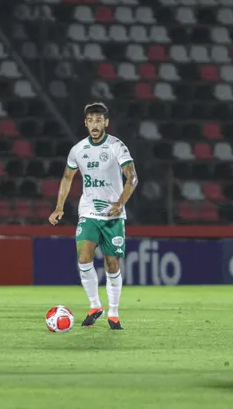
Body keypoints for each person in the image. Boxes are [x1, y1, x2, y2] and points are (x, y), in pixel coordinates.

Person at [48, 102, 138, 330]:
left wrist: (120, 203)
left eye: (99, 120)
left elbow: (133, 178)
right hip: (88, 212)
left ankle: (114, 313)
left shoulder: (117, 146)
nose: (95, 124)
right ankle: (95, 305)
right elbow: (67, 178)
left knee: (112, 264)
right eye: (91, 120)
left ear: (106, 122)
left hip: (113, 215)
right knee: (84, 256)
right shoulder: (78, 150)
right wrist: (59, 207)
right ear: (85, 123)